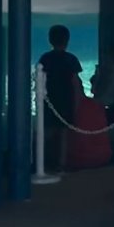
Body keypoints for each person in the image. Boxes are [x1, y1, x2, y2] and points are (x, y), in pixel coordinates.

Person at [38, 25, 84, 174]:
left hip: (49, 100)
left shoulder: (45, 58)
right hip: (66, 101)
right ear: (67, 41)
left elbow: (40, 81)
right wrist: (78, 103)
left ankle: (41, 162)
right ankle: (61, 164)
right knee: (63, 133)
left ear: (50, 40)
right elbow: (76, 84)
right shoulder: (71, 59)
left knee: (47, 132)